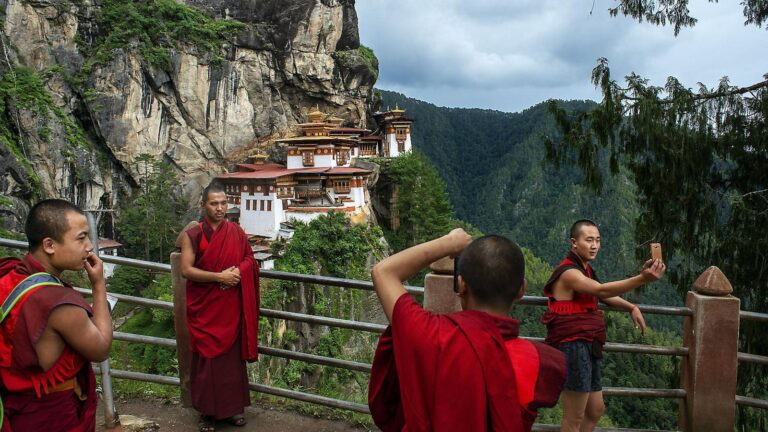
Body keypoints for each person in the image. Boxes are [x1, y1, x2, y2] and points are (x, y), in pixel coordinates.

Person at [368, 229, 566, 431]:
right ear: (521, 290)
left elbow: (383, 272)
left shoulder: (428, 334)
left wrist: (449, 243)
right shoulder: (542, 362)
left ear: (461, 285)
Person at [541, 219, 666, 432]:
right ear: (574, 243)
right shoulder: (569, 273)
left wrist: (631, 307)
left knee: (595, 410)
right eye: (588, 240)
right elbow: (602, 291)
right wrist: (642, 278)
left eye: (597, 240)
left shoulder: (585, 269)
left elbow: (601, 293)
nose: (594, 245)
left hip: (588, 344)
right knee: (574, 417)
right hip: (572, 345)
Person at [0, 199, 112, 431]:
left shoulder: (9, 275)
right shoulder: (58, 303)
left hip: (15, 404)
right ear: (49, 245)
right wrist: (99, 285)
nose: (90, 246)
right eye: (81, 238)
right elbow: (101, 348)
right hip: (50, 413)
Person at [179, 182, 259, 432]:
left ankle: (232, 410)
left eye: (224, 203)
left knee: (231, 363)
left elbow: (249, 259)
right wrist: (219, 277)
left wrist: (237, 271)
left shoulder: (235, 231)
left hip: (230, 307)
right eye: (214, 203)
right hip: (206, 308)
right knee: (207, 364)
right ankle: (207, 414)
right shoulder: (193, 235)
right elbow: (187, 270)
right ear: (203, 205)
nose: (220, 208)